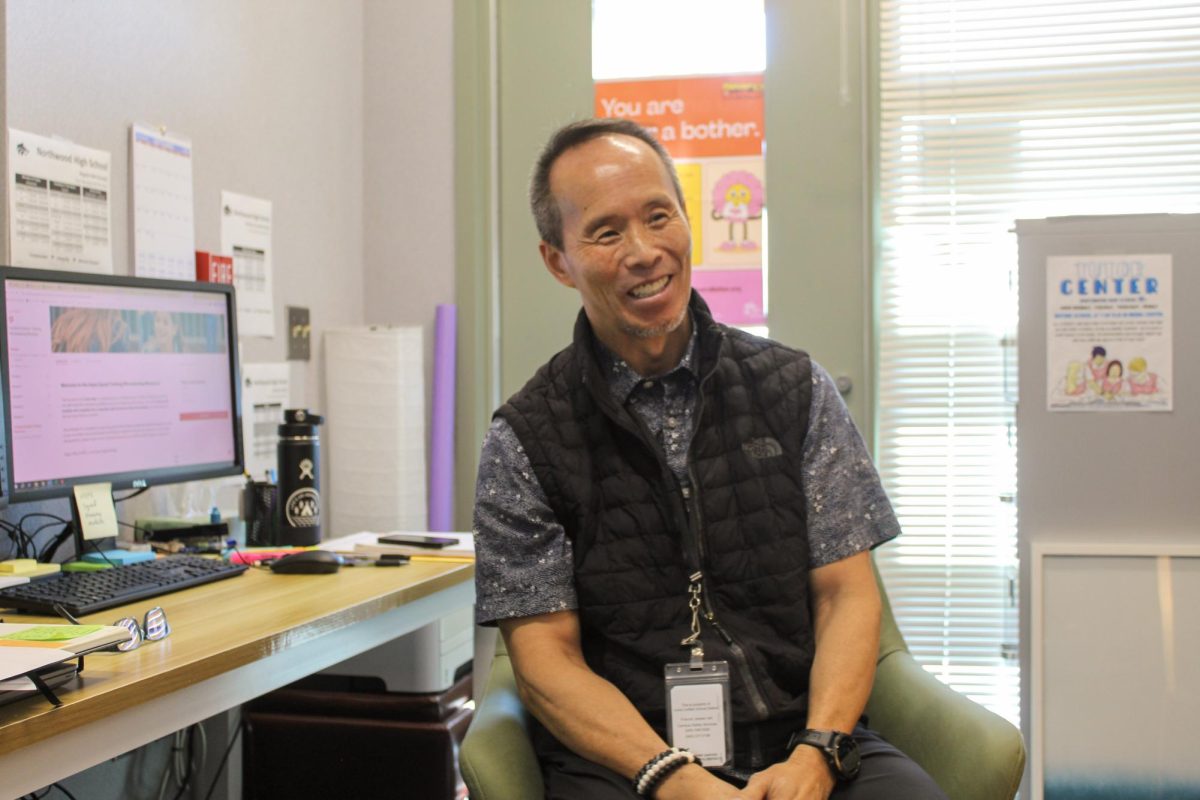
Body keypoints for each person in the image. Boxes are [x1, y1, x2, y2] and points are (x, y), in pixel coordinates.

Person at [473, 118, 947, 800]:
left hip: (800, 737)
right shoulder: (526, 437)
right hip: (627, 761)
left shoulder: (794, 390)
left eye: (658, 216)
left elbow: (847, 592)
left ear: (687, 219)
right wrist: (673, 777)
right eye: (607, 233)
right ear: (558, 260)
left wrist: (818, 750)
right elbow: (546, 658)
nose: (644, 251)